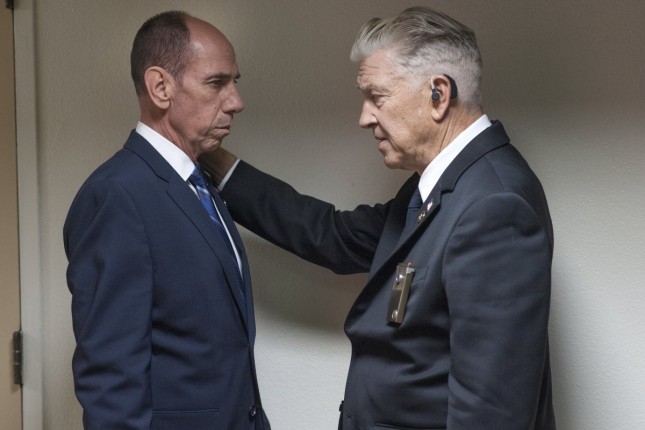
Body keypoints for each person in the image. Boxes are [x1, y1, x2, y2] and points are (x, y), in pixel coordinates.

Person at [201, 6, 556, 430]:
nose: (365, 117)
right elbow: (334, 235)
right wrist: (215, 162)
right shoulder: (443, 184)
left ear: (438, 94)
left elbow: (491, 413)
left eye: (377, 96)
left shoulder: (494, 205)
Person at [63, 11, 270, 429]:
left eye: (234, 82)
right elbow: (110, 381)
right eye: (217, 83)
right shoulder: (117, 195)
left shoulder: (198, 184)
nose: (236, 101)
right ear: (161, 88)